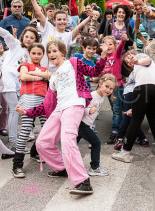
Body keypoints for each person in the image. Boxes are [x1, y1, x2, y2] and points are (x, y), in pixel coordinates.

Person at [35, 40, 108, 195]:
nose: (52, 54)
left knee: (68, 141)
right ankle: (62, 167)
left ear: (62, 52)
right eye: (49, 52)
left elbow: (94, 72)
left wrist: (102, 57)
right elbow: (48, 102)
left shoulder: (73, 63)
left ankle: (83, 181)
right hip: (60, 109)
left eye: (55, 50)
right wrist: (29, 112)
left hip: (74, 105)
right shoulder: (53, 77)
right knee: (42, 142)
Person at [0, 20, 40, 149]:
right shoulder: (16, 44)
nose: (28, 39)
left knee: (19, 111)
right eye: (27, 36)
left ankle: (18, 140)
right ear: (22, 37)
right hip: (8, 82)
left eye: (32, 37)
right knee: (14, 110)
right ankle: (13, 143)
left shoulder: (32, 54)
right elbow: (7, 36)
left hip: (19, 85)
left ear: (36, 40)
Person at [112, 51, 155, 163]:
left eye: (128, 57)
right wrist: (135, 108)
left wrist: (136, 60)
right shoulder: (139, 70)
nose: (129, 61)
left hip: (144, 87)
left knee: (136, 120)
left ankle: (125, 153)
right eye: (127, 62)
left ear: (133, 54)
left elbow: (147, 60)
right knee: (151, 116)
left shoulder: (140, 57)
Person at [11, 43, 50, 178]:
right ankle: (17, 164)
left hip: (43, 100)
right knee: (26, 130)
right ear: (29, 53)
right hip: (28, 98)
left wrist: (35, 74)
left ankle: (34, 152)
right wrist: (40, 77)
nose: (36, 56)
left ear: (43, 54)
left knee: (46, 129)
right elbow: (23, 77)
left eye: (39, 53)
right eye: (34, 53)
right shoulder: (25, 65)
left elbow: (49, 76)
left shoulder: (45, 68)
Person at [30, 0, 91, 72]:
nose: (62, 22)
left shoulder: (68, 35)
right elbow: (40, 14)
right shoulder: (48, 28)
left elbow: (81, 25)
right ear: (54, 21)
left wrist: (90, 17)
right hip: (44, 69)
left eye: (64, 19)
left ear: (67, 21)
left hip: (59, 71)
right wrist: (33, 0)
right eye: (59, 19)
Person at [101, 34, 128, 144]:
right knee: (114, 108)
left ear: (115, 46)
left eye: (110, 44)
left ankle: (116, 131)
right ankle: (122, 127)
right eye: (106, 44)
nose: (108, 46)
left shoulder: (116, 55)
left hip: (117, 86)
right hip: (107, 87)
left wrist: (123, 40)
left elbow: (121, 47)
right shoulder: (103, 58)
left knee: (117, 110)